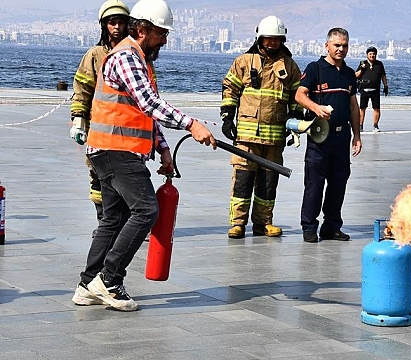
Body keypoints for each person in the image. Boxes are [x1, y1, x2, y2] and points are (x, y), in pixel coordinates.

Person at [75, 0, 217, 312]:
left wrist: (164, 149)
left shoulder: (139, 60)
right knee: (145, 211)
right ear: (142, 30)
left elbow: (144, 113)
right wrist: (191, 123)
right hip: (116, 150)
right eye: (161, 33)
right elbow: (150, 103)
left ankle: (87, 284)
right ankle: (109, 280)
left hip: (112, 149)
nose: (165, 40)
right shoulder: (127, 56)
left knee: (114, 219)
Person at [220, 15, 302, 239]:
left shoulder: (289, 66)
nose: (273, 43)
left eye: (277, 39)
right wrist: (227, 117)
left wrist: (295, 120)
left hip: (274, 139)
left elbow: (297, 96)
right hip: (246, 137)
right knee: (243, 182)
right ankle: (238, 223)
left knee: (268, 184)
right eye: (269, 39)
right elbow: (230, 88)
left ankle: (264, 222)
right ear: (260, 38)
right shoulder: (244, 62)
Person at [294, 27, 362, 243]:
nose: (341, 49)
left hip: (342, 138)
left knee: (338, 183)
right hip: (319, 137)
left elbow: (353, 106)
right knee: (314, 183)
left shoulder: (350, 74)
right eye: (337, 45)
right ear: (327, 46)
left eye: (345, 46)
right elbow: (299, 95)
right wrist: (315, 108)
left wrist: (357, 136)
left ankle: (331, 226)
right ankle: (309, 226)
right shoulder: (315, 69)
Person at [69, 0, 130, 236]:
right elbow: (82, 89)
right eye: (112, 22)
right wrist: (78, 120)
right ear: (104, 26)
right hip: (101, 130)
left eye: (121, 22)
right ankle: (104, 222)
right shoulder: (95, 55)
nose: (116, 27)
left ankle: (124, 223)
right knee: (98, 178)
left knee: (127, 179)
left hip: (129, 132)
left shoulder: (135, 55)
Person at [355, 46, 388, 132]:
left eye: (374, 54)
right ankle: (360, 126)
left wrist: (385, 86)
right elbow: (356, 75)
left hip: (375, 90)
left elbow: (383, 76)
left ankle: (375, 125)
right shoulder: (363, 63)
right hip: (364, 90)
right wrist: (362, 69)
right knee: (362, 108)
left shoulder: (379, 64)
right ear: (367, 55)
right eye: (370, 54)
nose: (372, 55)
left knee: (376, 108)